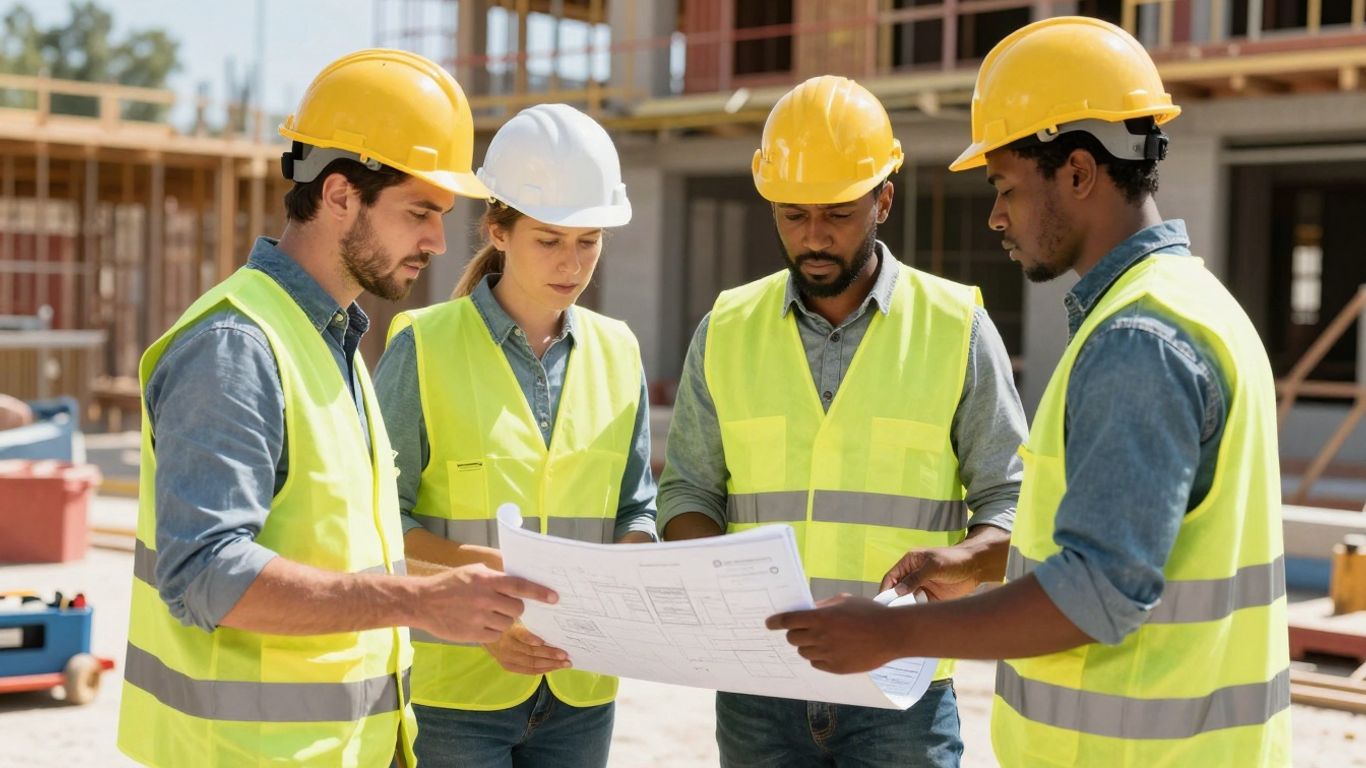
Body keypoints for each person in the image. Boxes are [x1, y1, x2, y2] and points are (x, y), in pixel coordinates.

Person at [768, 17, 1291, 767]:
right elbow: (1143, 534)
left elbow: (1100, 590)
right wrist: (982, 561)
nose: (997, 216)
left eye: (1005, 186)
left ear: (1078, 172)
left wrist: (894, 634)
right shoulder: (1194, 305)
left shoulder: (1137, 341)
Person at [116, 49, 557, 768]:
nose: (438, 242)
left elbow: (329, 551)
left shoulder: (336, 343)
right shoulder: (237, 345)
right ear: (341, 194)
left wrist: (449, 591)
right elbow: (204, 574)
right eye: (419, 212)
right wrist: (416, 603)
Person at [658, 75, 1028, 767]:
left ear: (884, 198)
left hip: (901, 691)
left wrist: (963, 561)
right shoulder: (726, 328)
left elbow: (1012, 502)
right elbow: (687, 493)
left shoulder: (955, 328)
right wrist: (719, 581)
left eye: (837, 213)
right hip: (757, 689)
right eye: (793, 216)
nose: (815, 237)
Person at [374, 103, 657, 768]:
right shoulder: (423, 346)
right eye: (550, 240)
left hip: (582, 691)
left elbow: (636, 506)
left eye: (588, 241)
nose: (572, 263)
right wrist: (475, 609)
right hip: (454, 695)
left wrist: (632, 561)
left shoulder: (619, 351)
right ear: (498, 229)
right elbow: (379, 523)